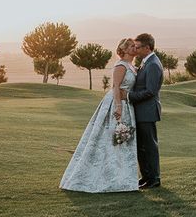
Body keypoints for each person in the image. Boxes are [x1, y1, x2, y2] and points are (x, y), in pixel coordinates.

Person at [59, 38, 139, 193]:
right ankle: (104, 176)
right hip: (116, 105)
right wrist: (118, 107)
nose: (134, 48)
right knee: (110, 138)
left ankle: (122, 177)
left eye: (134, 45)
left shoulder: (133, 66)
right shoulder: (121, 65)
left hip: (128, 105)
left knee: (123, 140)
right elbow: (116, 86)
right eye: (131, 46)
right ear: (124, 50)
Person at [122, 33, 164, 189]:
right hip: (141, 112)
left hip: (147, 112)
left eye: (138, 47)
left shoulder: (153, 64)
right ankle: (146, 176)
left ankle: (154, 178)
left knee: (149, 147)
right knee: (141, 146)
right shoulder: (146, 62)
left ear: (147, 47)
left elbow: (150, 91)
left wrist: (129, 96)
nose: (136, 49)